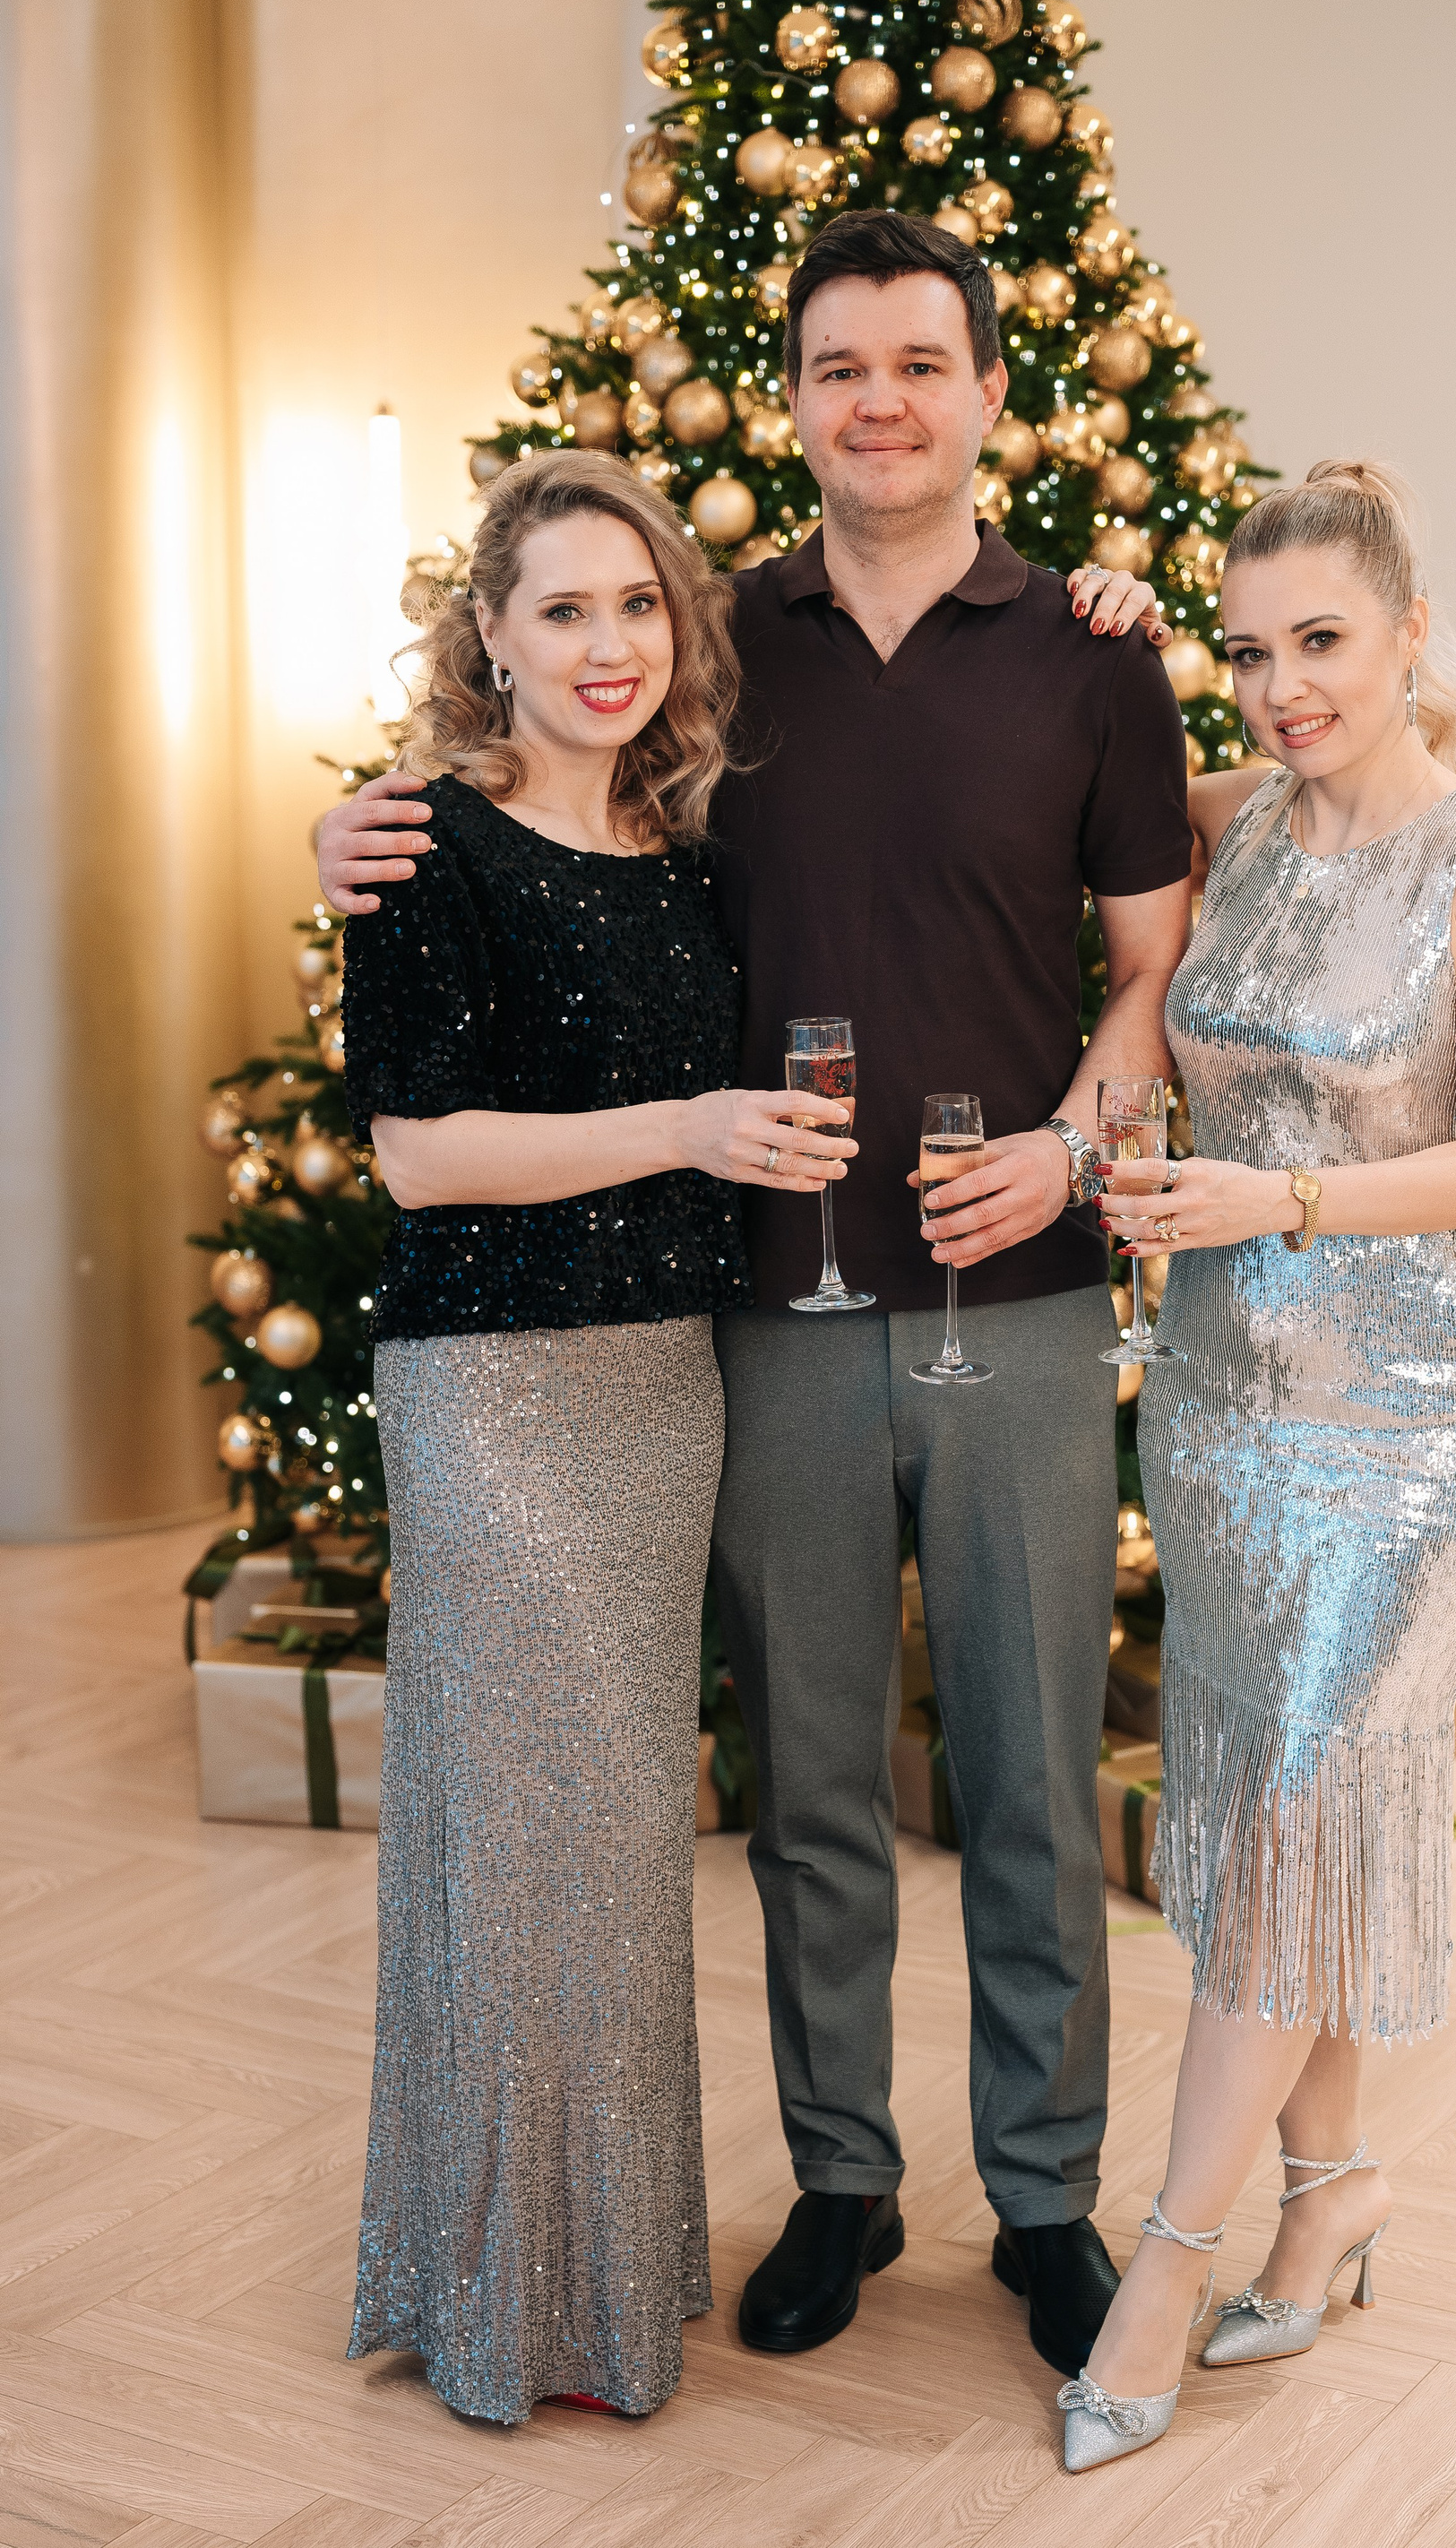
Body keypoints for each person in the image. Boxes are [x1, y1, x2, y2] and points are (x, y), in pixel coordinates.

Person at [319, 210, 1191, 2380]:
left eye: (920, 363)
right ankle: (842, 2181)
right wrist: (350, 841)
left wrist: (1071, 1147)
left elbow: (1154, 976)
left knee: (1025, 1775)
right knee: (810, 1779)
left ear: (991, 392)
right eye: (838, 367)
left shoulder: (1095, 653)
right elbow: (531, 810)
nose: (880, 401)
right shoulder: (712, 647)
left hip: (1022, 1291)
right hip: (765, 1312)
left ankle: (1049, 2197)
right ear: (793, 399)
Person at [1059, 460, 1456, 2473]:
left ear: (1410, 633)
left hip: (1414, 1420)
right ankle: (1334, 2188)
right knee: (1296, 1813)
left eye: (1325, 643)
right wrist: (1096, 634)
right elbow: (1066, 802)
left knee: (1289, 1810)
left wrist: (1272, 1195)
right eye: (1251, 648)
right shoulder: (1242, 820)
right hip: (1221, 1413)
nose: (1285, 687)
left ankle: (1168, 2261)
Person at [341, 447, 857, 2425]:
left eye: (637, 603)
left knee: (617, 1845)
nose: (607, 642)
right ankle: (506, 2300)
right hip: (492, 1391)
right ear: (491, 631)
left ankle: (594, 2278)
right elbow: (419, 1156)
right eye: (562, 607)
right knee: (523, 1840)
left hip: (663, 1389)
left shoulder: (690, 846)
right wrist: (691, 1131)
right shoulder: (424, 845)